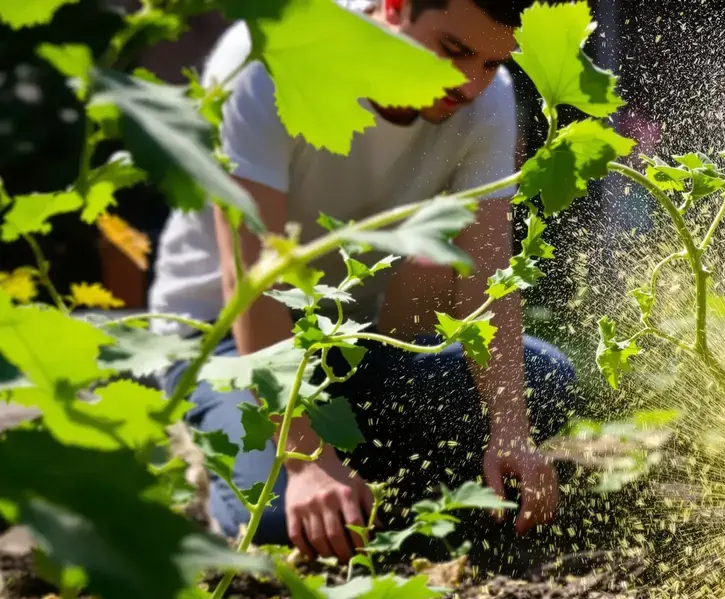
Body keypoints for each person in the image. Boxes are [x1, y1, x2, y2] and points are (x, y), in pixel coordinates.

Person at [150, 0, 574, 563]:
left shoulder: (486, 102)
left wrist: (509, 430)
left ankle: (352, 472)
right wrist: (304, 461)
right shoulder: (269, 58)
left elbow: (488, 280)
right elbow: (250, 279)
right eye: (453, 52)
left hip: (347, 345)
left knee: (545, 380)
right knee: (279, 521)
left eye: (492, 63)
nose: (470, 85)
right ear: (394, 7)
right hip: (220, 341)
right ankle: (220, 456)